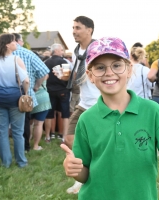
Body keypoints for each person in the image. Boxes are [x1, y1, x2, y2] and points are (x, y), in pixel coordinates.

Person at [61, 37, 159, 200]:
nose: (109, 72)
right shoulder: (86, 119)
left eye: (117, 65)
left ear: (129, 70)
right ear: (90, 75)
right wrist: (74, 169)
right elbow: (84, 174)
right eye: (100, 67)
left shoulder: (151, 111)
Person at [63, 16, 100, 194]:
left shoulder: (98, 49)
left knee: (96, 144)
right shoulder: (77, 51)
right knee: (70, 138)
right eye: (73, 27)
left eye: (78, 28)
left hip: (99, 103)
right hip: (84, 103)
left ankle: (89, 178)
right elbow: (79, 77)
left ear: (89, 30)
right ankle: (84, 175)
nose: (74, 31)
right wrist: (68, 77)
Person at [0, 33, 29, 168]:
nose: (16, 43)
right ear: (7, 45)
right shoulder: (16, 59)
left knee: (2, 132)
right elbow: (25, 80)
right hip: (15, 98)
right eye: (14, 41)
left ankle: (6, 162)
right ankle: (21, 161)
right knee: (17, 132)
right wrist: (25, 93)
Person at [12, 33, 49, 152]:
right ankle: (25, 147)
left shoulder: (0, 55)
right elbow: (44, 72)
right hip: (25, 93)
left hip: (5, 93)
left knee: (7, 125)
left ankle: (1, 148)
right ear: (18, 41)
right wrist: (36, 86)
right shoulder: (28, 53)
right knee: (26, 122)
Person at [44, 43, 70, 141]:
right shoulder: (64, 62)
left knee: (49, 114)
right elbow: (66, 77)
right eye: (62, 50)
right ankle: (64, 137)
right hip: (62, 90)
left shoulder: (46, 62)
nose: (63, 52)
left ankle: (47, 136)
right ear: (57, 51)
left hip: (49, 91)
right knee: (65, 114)